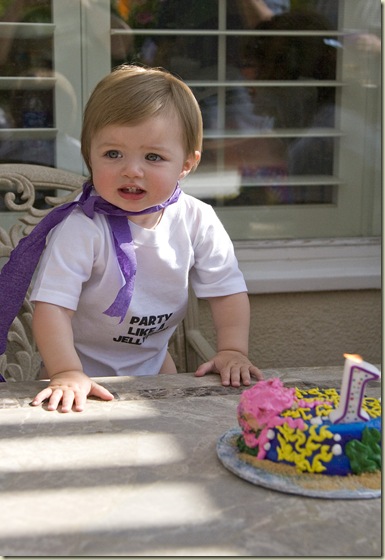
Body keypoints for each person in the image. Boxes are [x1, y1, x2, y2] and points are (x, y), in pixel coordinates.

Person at [22, 64, 262, 412]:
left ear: (186, 164)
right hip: (77, 371)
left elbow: (226, 290)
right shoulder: (82, 225)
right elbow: (52, 308)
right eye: (112, 154)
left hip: (154, 369)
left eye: (153, 157)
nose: (131, 170)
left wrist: (232, 349)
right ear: (89, 153)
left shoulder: (197, 219)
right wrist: (65, 370)